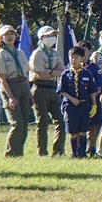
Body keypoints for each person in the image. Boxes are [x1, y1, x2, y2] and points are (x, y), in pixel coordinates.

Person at [0, 25, 32, 157]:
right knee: (17, 123)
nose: (9, 36)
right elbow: (2, 78)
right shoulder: (1, 55)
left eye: (12, 34)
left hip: (23, 85)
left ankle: (19, 152)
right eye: (6, 34)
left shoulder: (20, 53)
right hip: (10, 86)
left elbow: (26, 74)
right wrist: (10, 97)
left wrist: (29, 92)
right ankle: (10, 153)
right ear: (2, 38)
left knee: (25, 121)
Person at [29, 25, 66, 157]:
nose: (52, 38)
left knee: (60, 121)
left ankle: (59, 150)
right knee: (43, 120)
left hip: (53, 88)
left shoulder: (55, 53)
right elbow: (40, 74)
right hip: (40, 88)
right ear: (41, 38)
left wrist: (49, 71)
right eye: (48, 36)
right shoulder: (37, 54)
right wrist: (53, 72)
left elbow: (63, 71)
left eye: (53, 36)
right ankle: (42, 151)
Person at [57, 46, 99, 158]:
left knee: (83, 130)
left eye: (76, 57)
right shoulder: (65, 74)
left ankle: (82, 153)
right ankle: (74, 152)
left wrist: (94, 105)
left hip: (84, 105)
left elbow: (92, 90)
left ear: (82, 59)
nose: (73, 60)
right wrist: (72, 98)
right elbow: (61, 90)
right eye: (71, 57)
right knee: (73, 131)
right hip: (71, 106)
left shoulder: (87, 74)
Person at [77, 40, 102, 156]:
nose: (82, 53)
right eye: (80, 50)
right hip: (78, 102)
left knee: (94, 125)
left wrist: (92, 97)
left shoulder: (94, 68)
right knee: (78, 126)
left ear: (90, 52)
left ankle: (91, 148)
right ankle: (78, 149)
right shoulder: (73, 68)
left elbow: (99, 86)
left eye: (84, 50)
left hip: (92, 100)